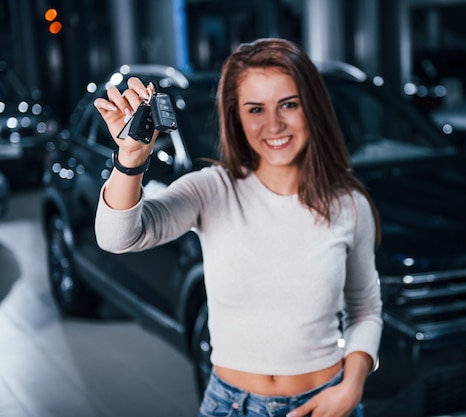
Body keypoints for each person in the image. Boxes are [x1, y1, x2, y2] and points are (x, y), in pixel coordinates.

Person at [93, 38, 383, 417]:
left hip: (326, 403)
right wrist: (130, 159)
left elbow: (364, 308)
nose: (274, 124)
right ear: (237, 117)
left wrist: (352, 387)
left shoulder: (348, 205)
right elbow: (117, 237)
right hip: (231, 406)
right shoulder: (211, 189)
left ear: (312, 108)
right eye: (255, 109)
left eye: (289, 105)